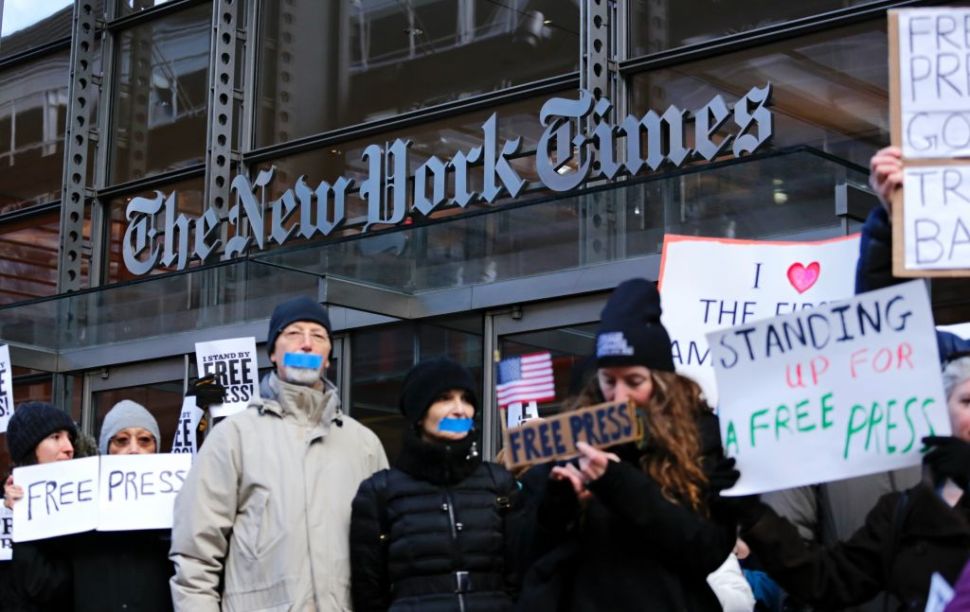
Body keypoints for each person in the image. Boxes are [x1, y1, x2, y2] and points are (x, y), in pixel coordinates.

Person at [518, 278, 739, 611]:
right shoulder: (575, 436)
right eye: (609, 381)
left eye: (634, 382)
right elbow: (526, 555)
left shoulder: (701, 436)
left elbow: (708, 548)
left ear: (661, 381)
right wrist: (559, 503)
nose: (619, 397)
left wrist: (617, 481)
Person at [170, 295, 389, 611]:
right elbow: (195, 557)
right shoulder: (233, 437)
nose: (306, 344)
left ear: (328, 357)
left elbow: (382, 557)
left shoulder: (364, 445)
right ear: (273, 352)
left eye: (318, 336)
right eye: (294, 333)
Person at [731, 354, 970, 611]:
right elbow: (828, 580)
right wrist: (756, 517)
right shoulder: (905, 508)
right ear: (941, 410)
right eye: (967, 401)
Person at [350, 357, 523, 611]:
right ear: (418, 414)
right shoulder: (379, 493)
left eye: (466, 399)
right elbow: (368, 592)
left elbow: (520, 575)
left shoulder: (499, 484)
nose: (459, 409)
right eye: (444, 398)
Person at [2, 401, 78, 610]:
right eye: (56, 437)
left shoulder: (81, 504)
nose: (69, 448)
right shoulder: (7, 507)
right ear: (29, 448)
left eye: (70, 438)